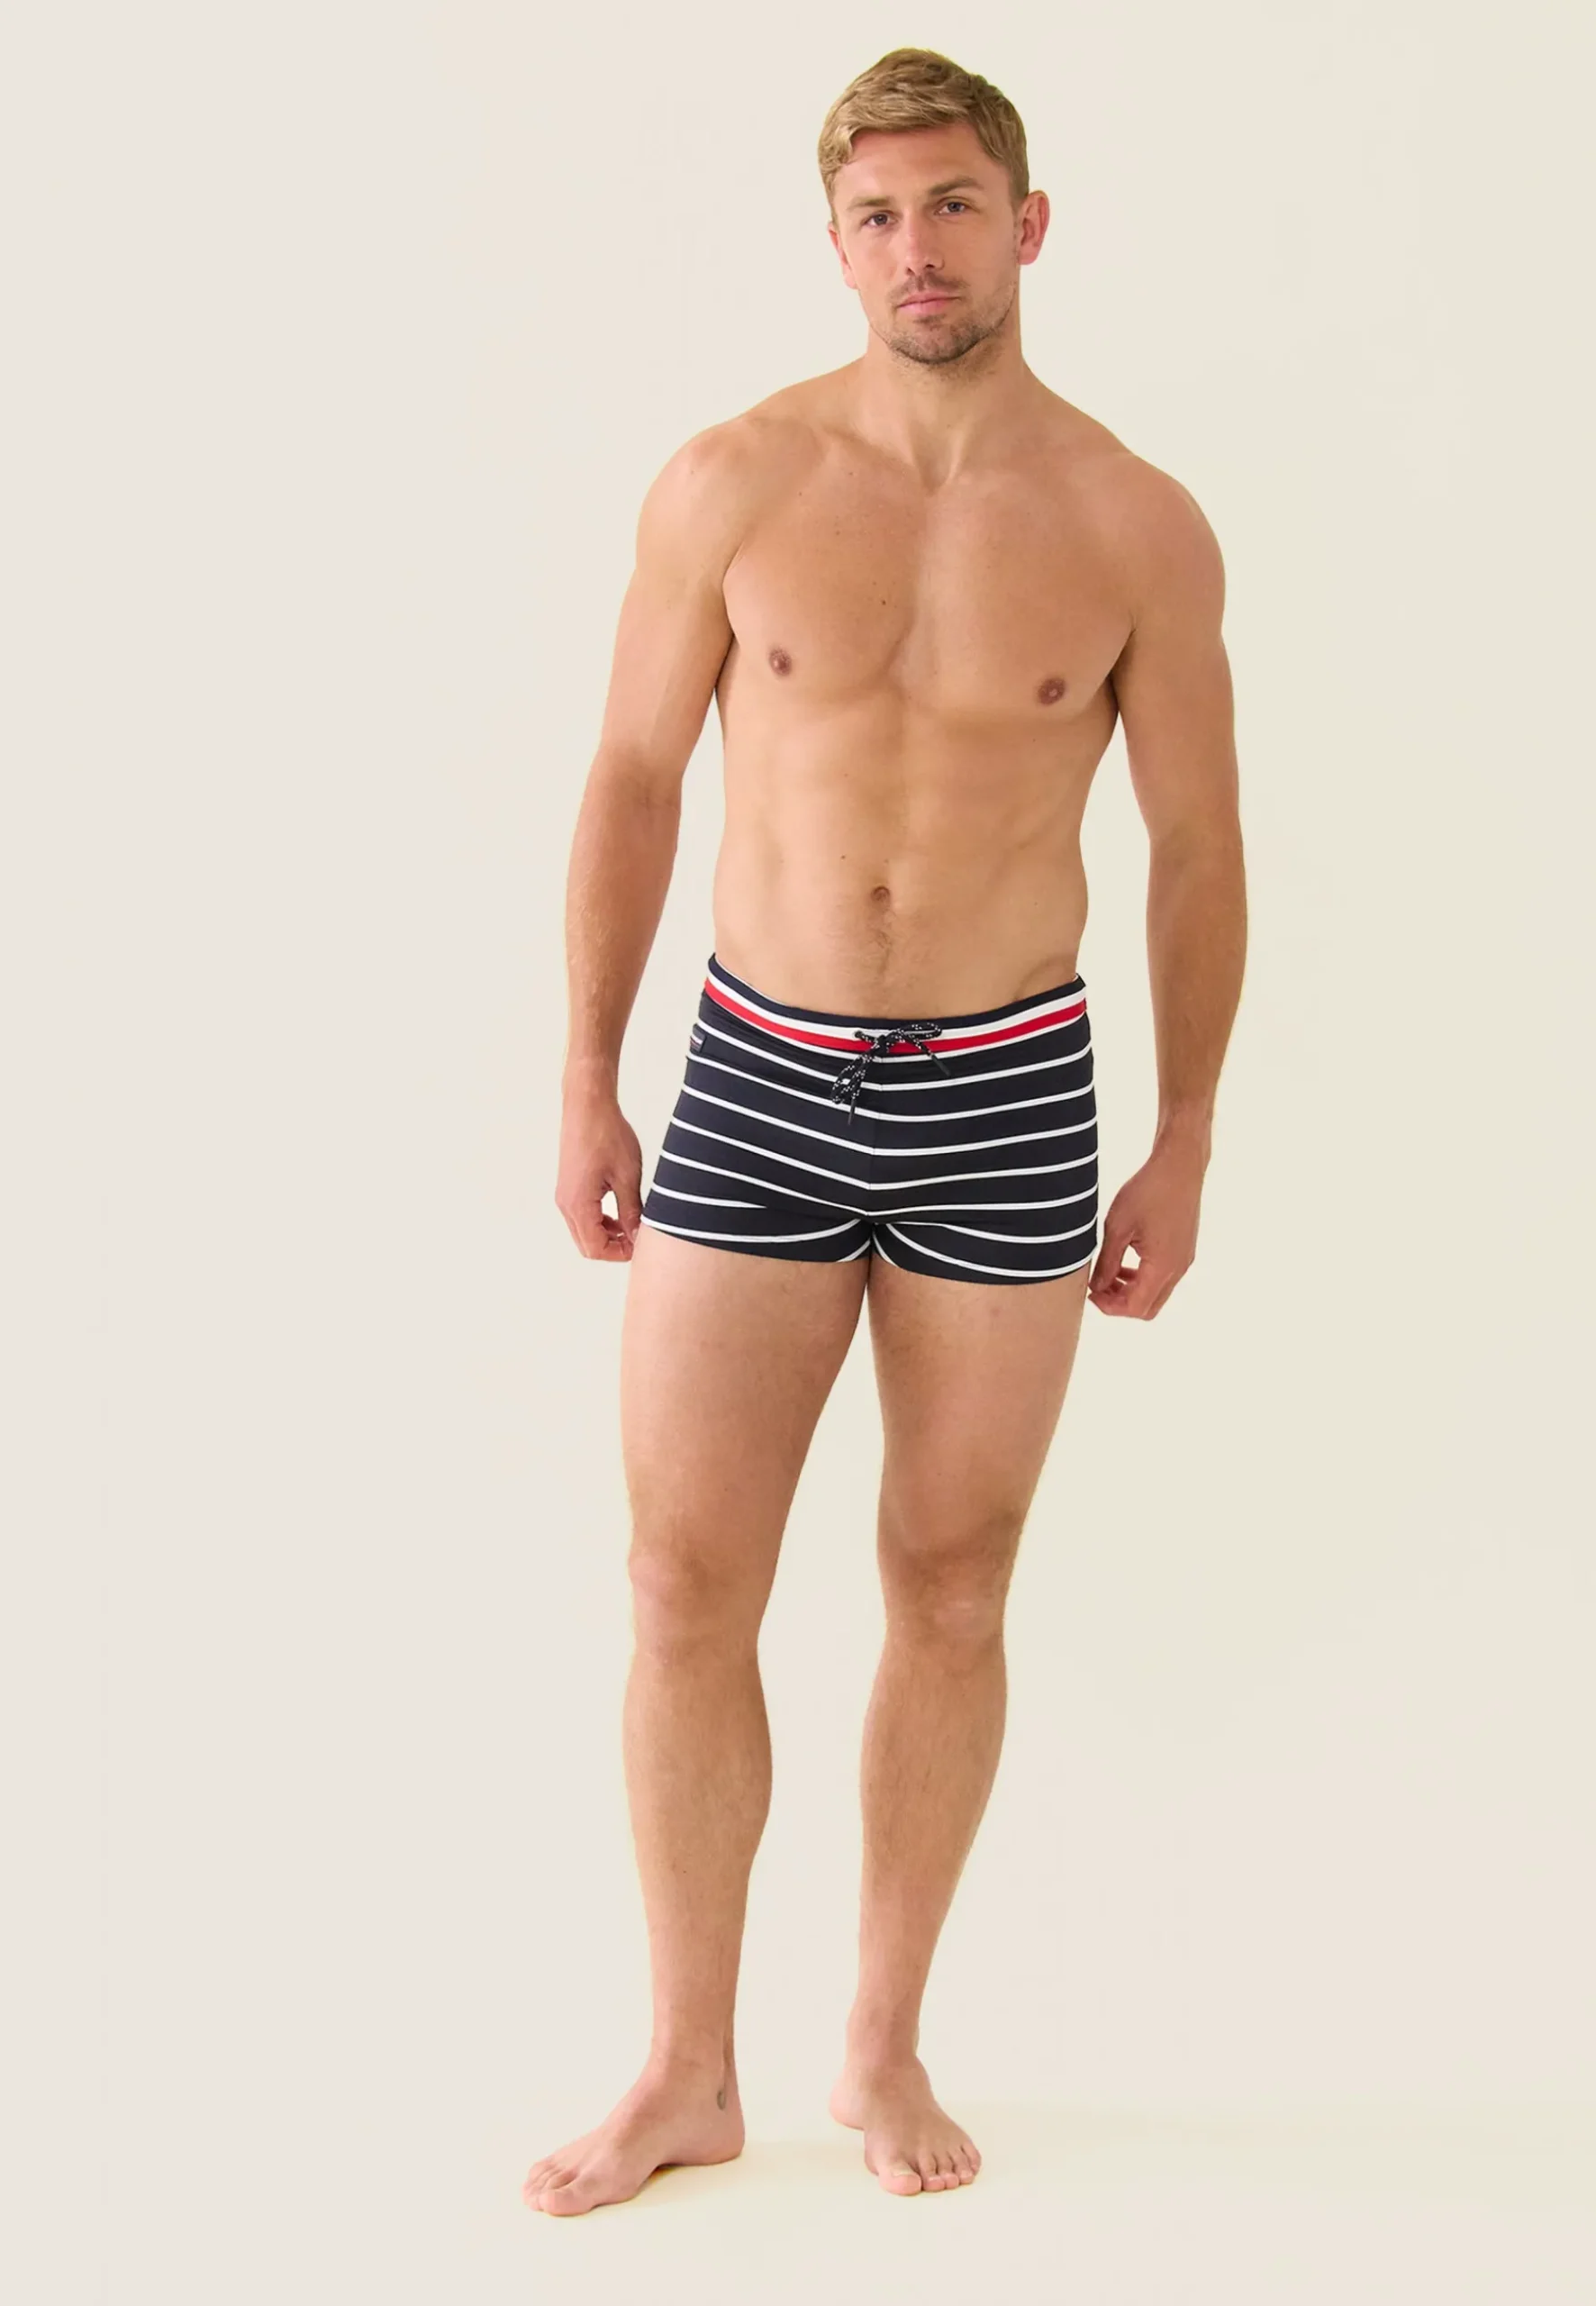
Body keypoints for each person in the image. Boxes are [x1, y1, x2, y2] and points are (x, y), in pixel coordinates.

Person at [528, 45, 1247, 2216]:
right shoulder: (730, 482)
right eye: (875, 215)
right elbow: (631, 776)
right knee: (679, 1578)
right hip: (755, 1073)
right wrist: (585, 1068)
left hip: (1010, 1091)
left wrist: (1184, 1130)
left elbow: (1196, 844)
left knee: (950, 1576)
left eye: (950, 205)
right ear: (832, 243)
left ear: (1027, 225)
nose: (914, 248)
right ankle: (684, 2064)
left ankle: (882, 2031)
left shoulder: (1131, 520)